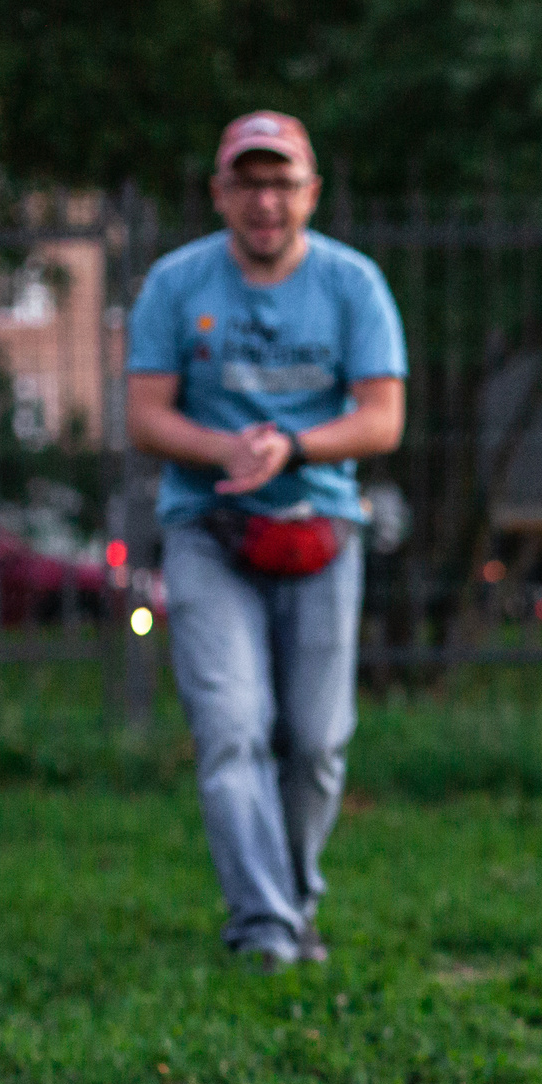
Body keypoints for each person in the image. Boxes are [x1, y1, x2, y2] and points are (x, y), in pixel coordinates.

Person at [127, 112, 406, 968]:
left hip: (321, 531)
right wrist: (226, 450)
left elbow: (383, 419)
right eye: (247, 182)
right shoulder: (176, 285)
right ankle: (267, 930)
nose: (265, 200)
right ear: (220, 194)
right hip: (207, 533)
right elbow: (144, 413)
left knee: (317, 743)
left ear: (310, 193)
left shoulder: (353, 284)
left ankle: (291, 898)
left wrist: (294, 446)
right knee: (233, 728)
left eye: (281, 182)